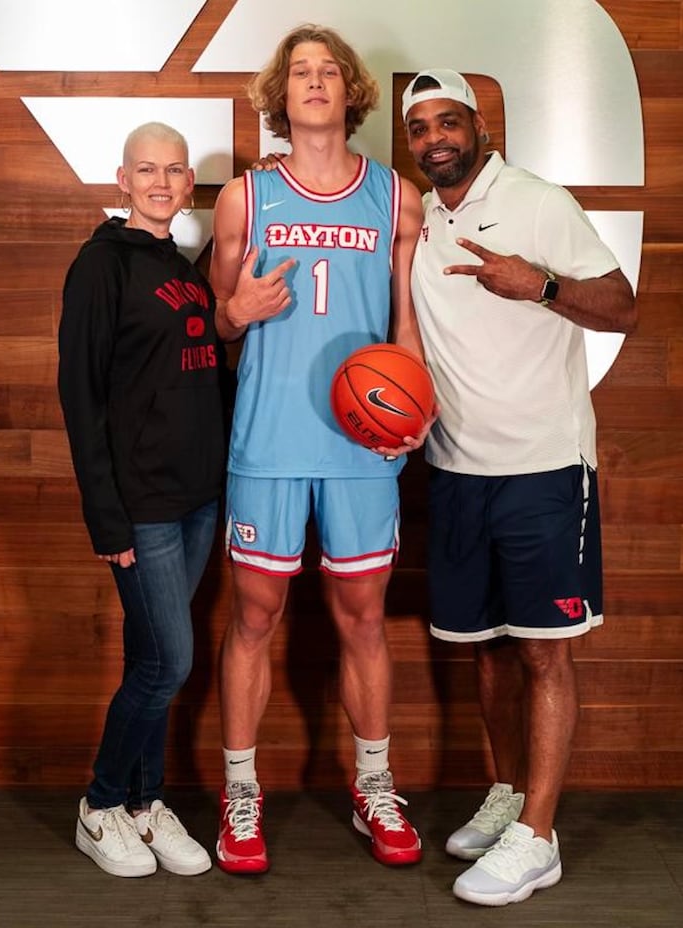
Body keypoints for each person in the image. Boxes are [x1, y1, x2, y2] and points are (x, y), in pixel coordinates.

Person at [400, 69, 636, 906]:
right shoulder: (421, 219)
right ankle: (508, 795)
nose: (436, 138)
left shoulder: (539, 200)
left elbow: (622, 306)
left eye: (449, 121)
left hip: (542, 464)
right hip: (457, 468)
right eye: (421, 127)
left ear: (480, 126)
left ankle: (539, 836)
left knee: (543, 651)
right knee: (488, 652)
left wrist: (537, 284)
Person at [206, 23, 427, 874]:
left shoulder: (394, 199)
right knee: (254, 618)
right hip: (267, 441)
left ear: (350, 92)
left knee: (364, 619)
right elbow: (220, 321)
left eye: (328, 70)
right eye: (299, 71)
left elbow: (405, 326)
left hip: (362, 449)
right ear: (279, 94)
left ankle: (374, 786)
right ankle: (240, 796)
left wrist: (412, 408)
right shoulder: (245, 200)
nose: (313, 82)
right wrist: (240, 313)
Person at [57, 121, 222, 878]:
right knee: (170, 663)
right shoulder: (101, 266)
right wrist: (105, 514)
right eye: (146, 169)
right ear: (122, 180)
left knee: (150, 653)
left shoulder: (183, 266)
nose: (162, 182)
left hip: (197, 498)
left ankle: (144, 804)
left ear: (190, 184)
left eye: (176, 170)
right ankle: (99, 805)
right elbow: (79, 393)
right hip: (143, 505)